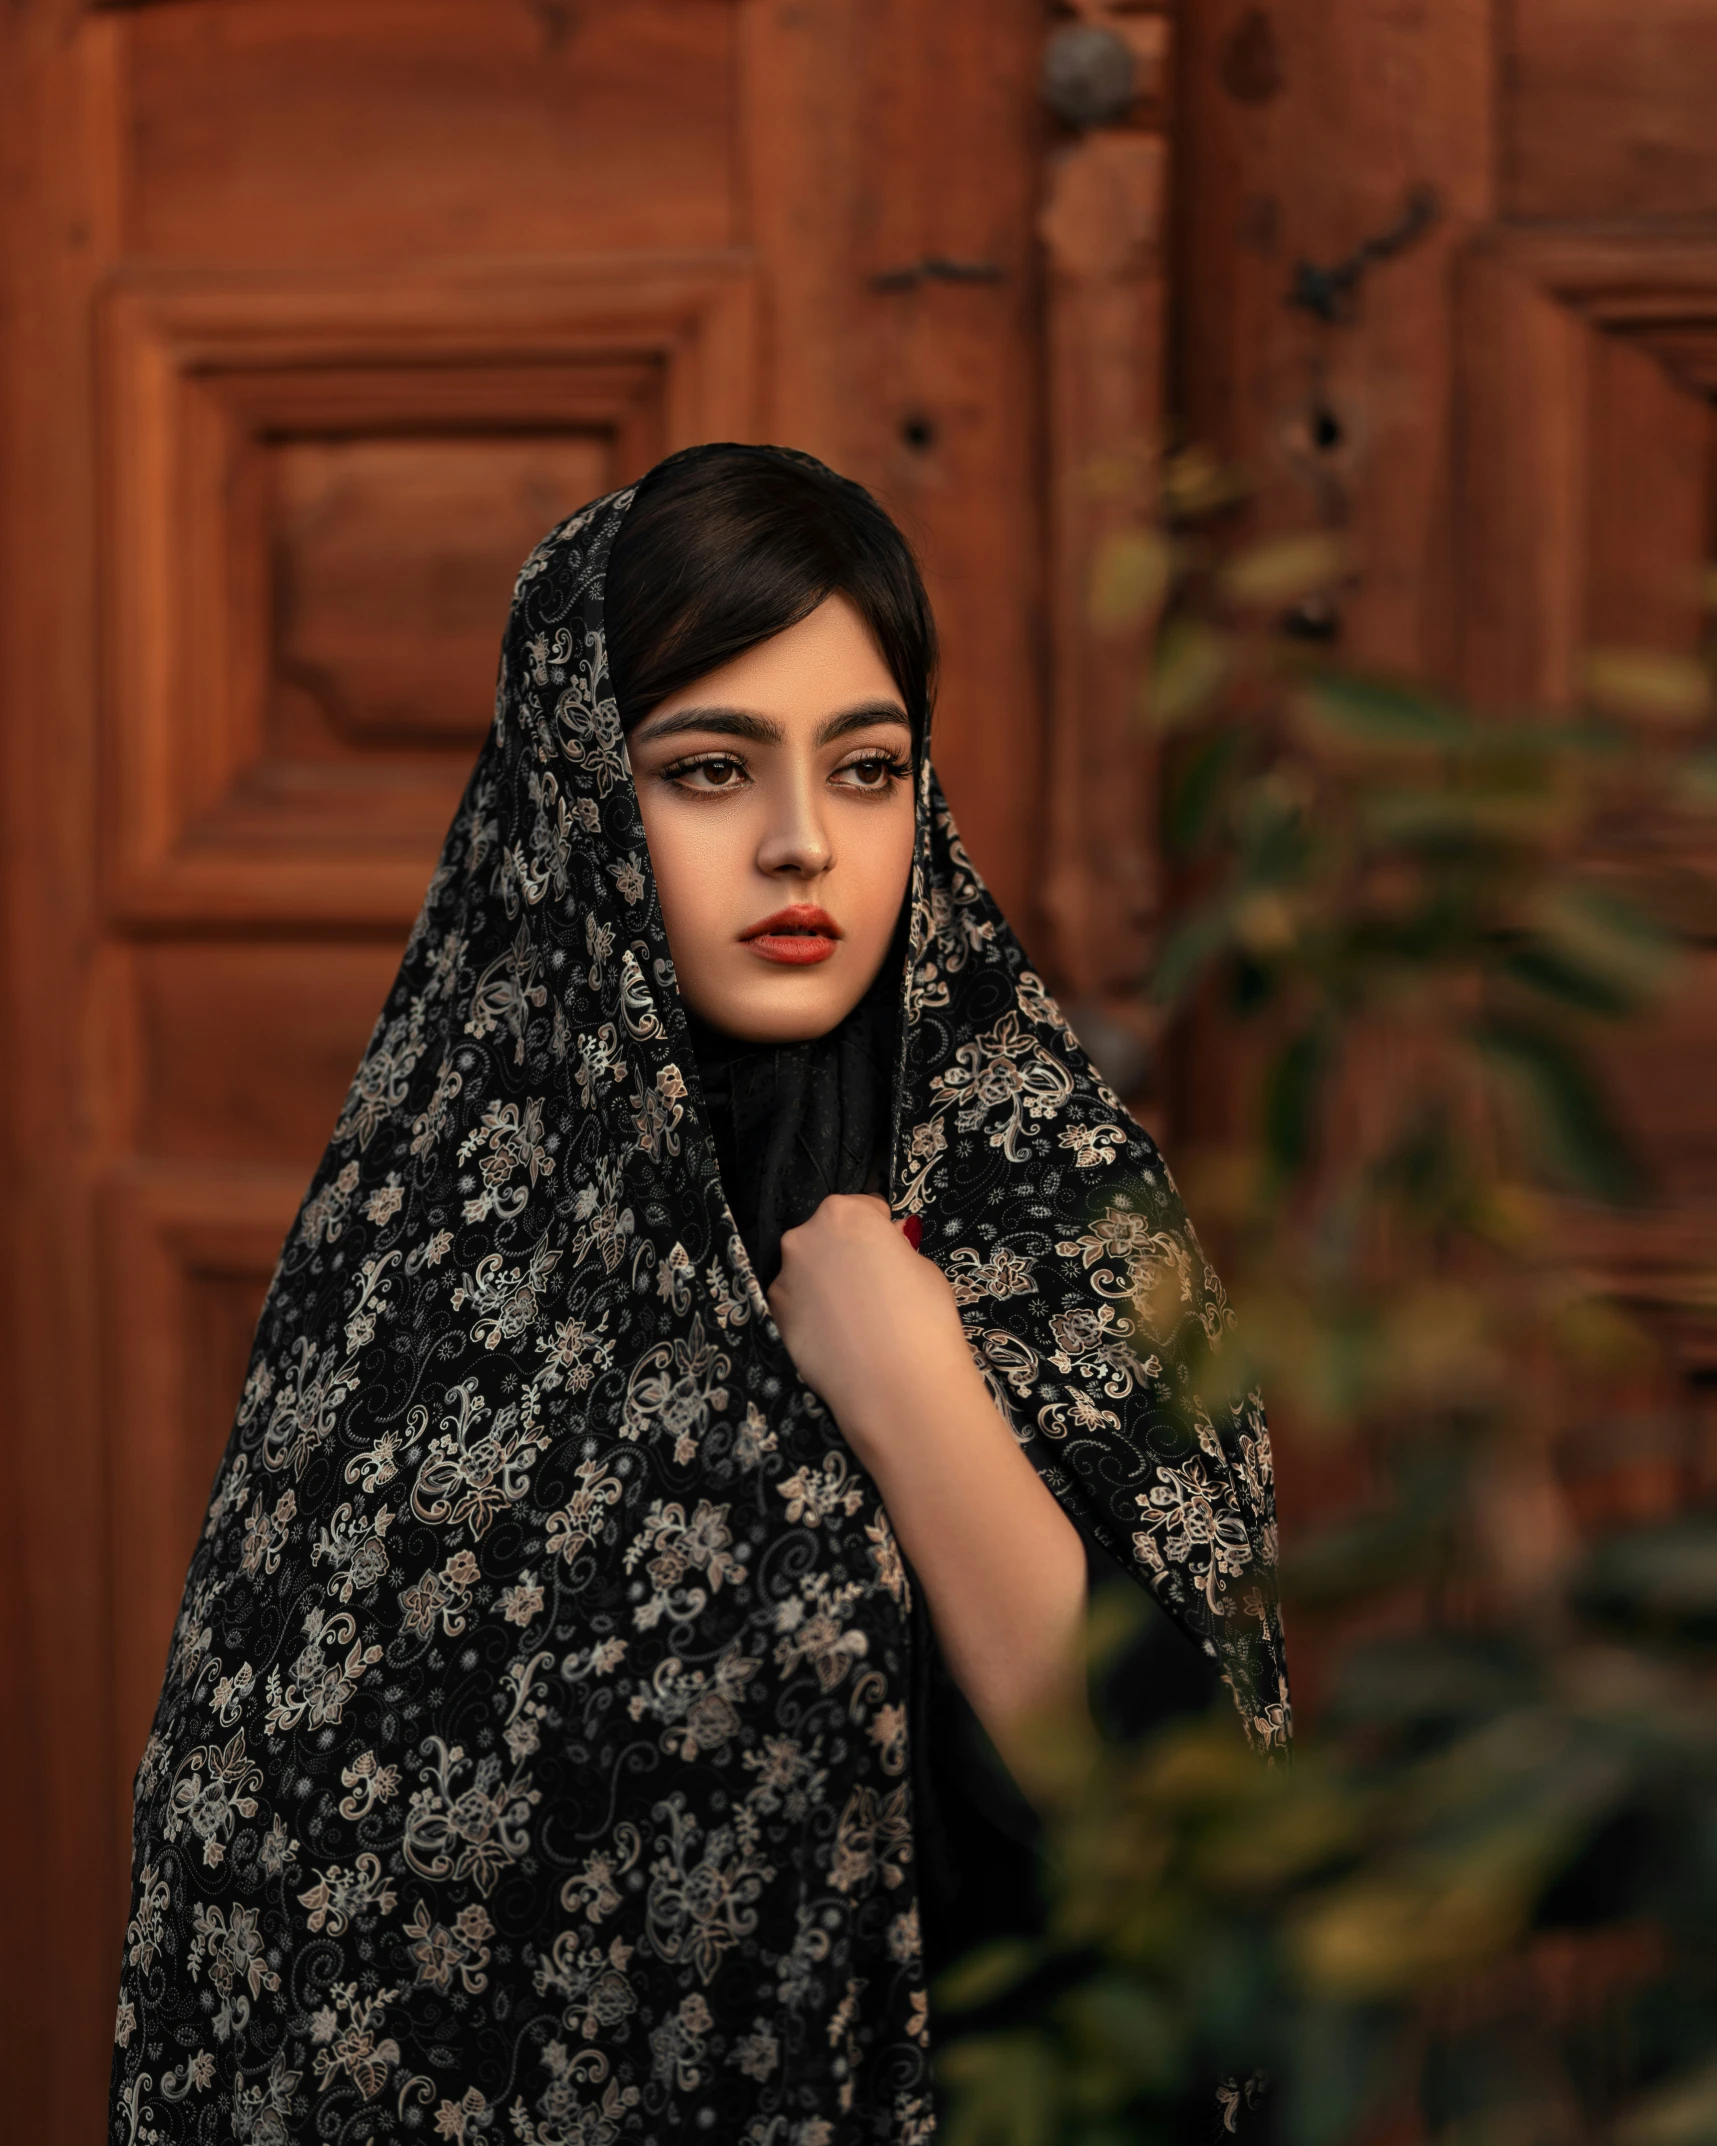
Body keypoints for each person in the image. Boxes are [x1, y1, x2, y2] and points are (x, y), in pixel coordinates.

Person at [110, 444, 1287, 2144]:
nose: (804, 842)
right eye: (713, 767)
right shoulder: (430, 1251)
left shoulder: (1054, 1212)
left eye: (868, 767)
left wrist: (913, 1385)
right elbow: (276, 1892)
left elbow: (1193, 1852)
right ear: (579, 792)